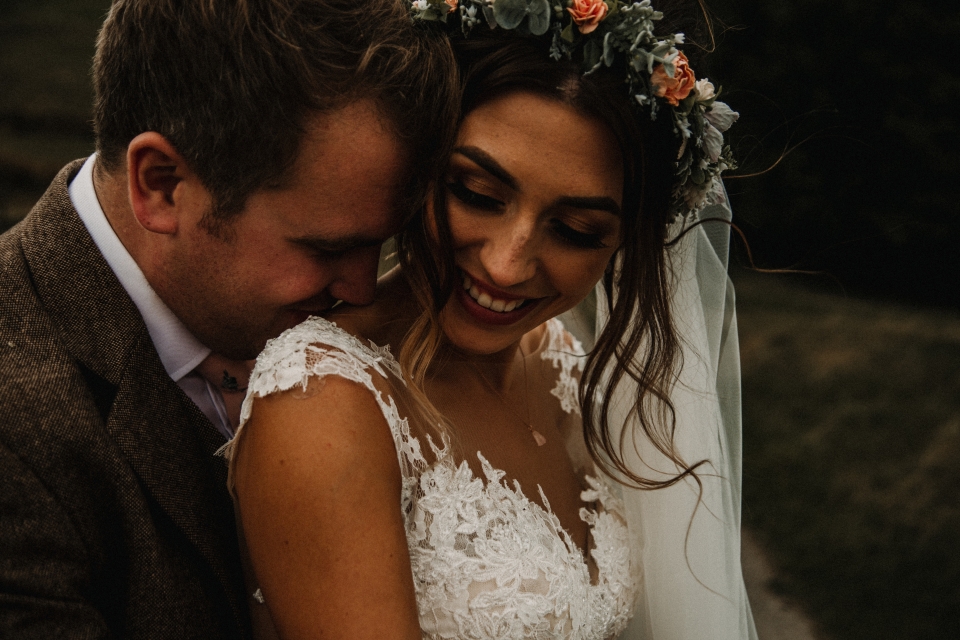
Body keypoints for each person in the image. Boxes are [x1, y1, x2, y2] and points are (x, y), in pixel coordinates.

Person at [226, 1, 757, 638]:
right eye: (477, 194)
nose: (507, 266)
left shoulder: (560, 363)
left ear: (624, 243)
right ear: (421, 164)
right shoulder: (322, 399)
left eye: (575, 230)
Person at [0, 0, 457, 637]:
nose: (361, 289)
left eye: (383, 245)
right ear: (160, 184)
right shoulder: (18, 430)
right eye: (325, 248)